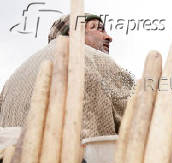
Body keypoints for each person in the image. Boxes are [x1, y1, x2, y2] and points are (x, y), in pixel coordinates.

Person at [0, 14, 135, 139]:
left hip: (13, 162)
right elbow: (137, 118)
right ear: (74, 32)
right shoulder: (96, 58)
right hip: (84, 161)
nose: (109, 37)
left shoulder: (13, 78)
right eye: (99, 29)